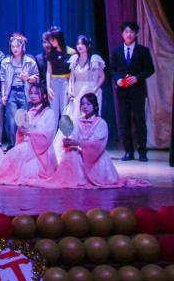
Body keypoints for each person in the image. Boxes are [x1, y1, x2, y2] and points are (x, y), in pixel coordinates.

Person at [47, 94, 151, 189]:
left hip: (96, 158)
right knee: (71, 153)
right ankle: (75, 179)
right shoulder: (79, 122)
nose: (85, 106)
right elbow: (75, 135)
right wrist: (70, 140)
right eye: (83, 104)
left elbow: (98, 145)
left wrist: (80, 143)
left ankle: (88, 177)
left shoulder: (101, 123)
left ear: (95, 106)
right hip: (83, 154)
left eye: (88, 104)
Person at [0, 82, 56, 184]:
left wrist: (30, 133)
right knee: (13, 154)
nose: (32, 96)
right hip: (27, 144)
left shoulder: (48, 112)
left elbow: (47, 134)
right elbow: (23, 129)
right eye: (31, 93)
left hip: (40, 148)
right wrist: (21, 131)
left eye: (36, 93)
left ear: (44, 96)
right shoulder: (29, 111)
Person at [110, 20, 155, 161]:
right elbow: (112, 69)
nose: (128, 34)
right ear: (122, 34)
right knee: (124, 122)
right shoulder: (117, 51)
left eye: (131, 32)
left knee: (139, 121)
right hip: (122, 92)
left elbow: (150, 69)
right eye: (126, 32)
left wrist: (137, 78)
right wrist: (117, 79)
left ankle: (142, 152)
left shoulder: (143, 51)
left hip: (137, 91)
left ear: (136, 34)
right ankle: (128, 151)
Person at [1, 33, 40, 148]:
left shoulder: (30, 61)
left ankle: (25, 145)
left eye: (17, 46)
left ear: (22, 47)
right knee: (11, 120)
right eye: (13, 46)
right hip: (11, 92)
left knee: (24, 119)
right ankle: (14, 146)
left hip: (25, 92)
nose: (15, 49)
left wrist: (27, 78)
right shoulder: (6, 62)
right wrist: (3, 95)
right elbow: (3, 80)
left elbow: (36, 78)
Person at [63, 35, 106, 124]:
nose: (80, 46)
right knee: (74, 115)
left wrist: (95, 88)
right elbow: (72, 78)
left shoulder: (94, 59)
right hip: (77, 89)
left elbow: (102, 76)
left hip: (90, 89)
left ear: (88, 46)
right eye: (78, 44)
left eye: (82, 44)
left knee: (88, 115)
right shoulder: (74, 59)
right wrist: (70, 90)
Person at [41, 26, 72, 136]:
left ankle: (65, 137)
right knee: (53, 112)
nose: (51, 42)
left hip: (66, 82)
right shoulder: (50, 53)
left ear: (59, 39)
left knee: (65, 110)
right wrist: (48, 87)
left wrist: (70, 87)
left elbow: (73, 73)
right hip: (54, 82)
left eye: (53, 39)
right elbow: (49, 71)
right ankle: (52, 138)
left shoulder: (71, 52)